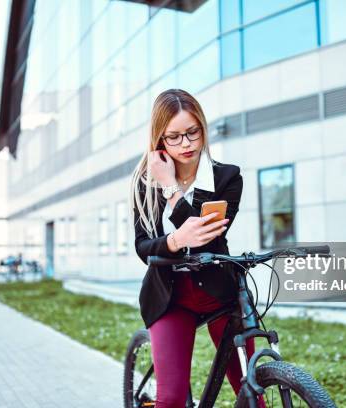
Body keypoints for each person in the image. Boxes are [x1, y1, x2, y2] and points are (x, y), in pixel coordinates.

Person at [129, 89, 266, 407]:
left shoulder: (227, 178)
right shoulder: (146, 182)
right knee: (172, 399)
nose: (186, 144)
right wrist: (175, 240)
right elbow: (143, 246)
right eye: (174, 137)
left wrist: (173, 193)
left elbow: (205, 236)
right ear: (160, 138)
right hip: (169, 297)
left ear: (203, 128)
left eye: (192, 132)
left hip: (219, 290)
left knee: (252, 389)